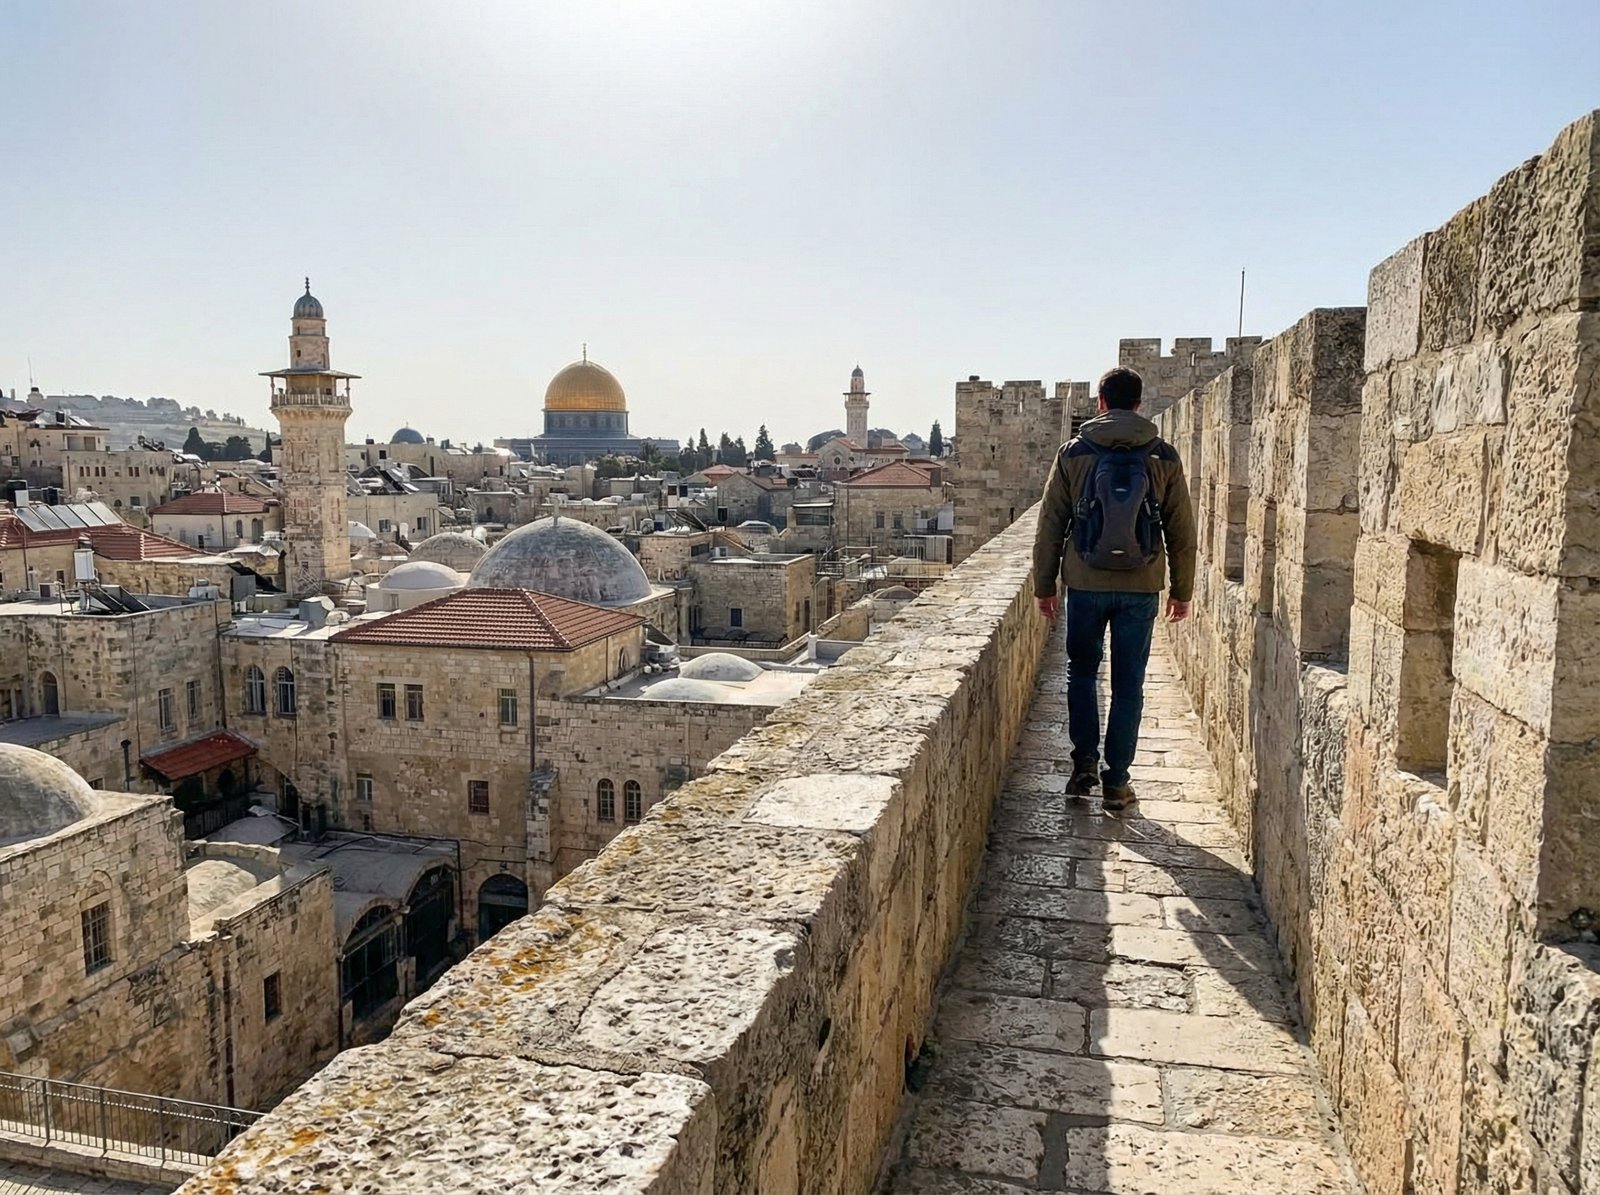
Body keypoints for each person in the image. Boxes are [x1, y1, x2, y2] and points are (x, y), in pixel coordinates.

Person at [1032, 366, 1196, 812]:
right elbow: (1182, 529)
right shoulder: (1163, 456)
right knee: (1129, 684)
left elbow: (1051, 525)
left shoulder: (1073, 453)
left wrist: (1044, 585)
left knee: (1081, 672)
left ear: (1100, 402)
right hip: (1141, 587)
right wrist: (1182, 590)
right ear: (1139, 404)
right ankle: (1117, 782)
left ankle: (1083, 764)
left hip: (1084, 581)